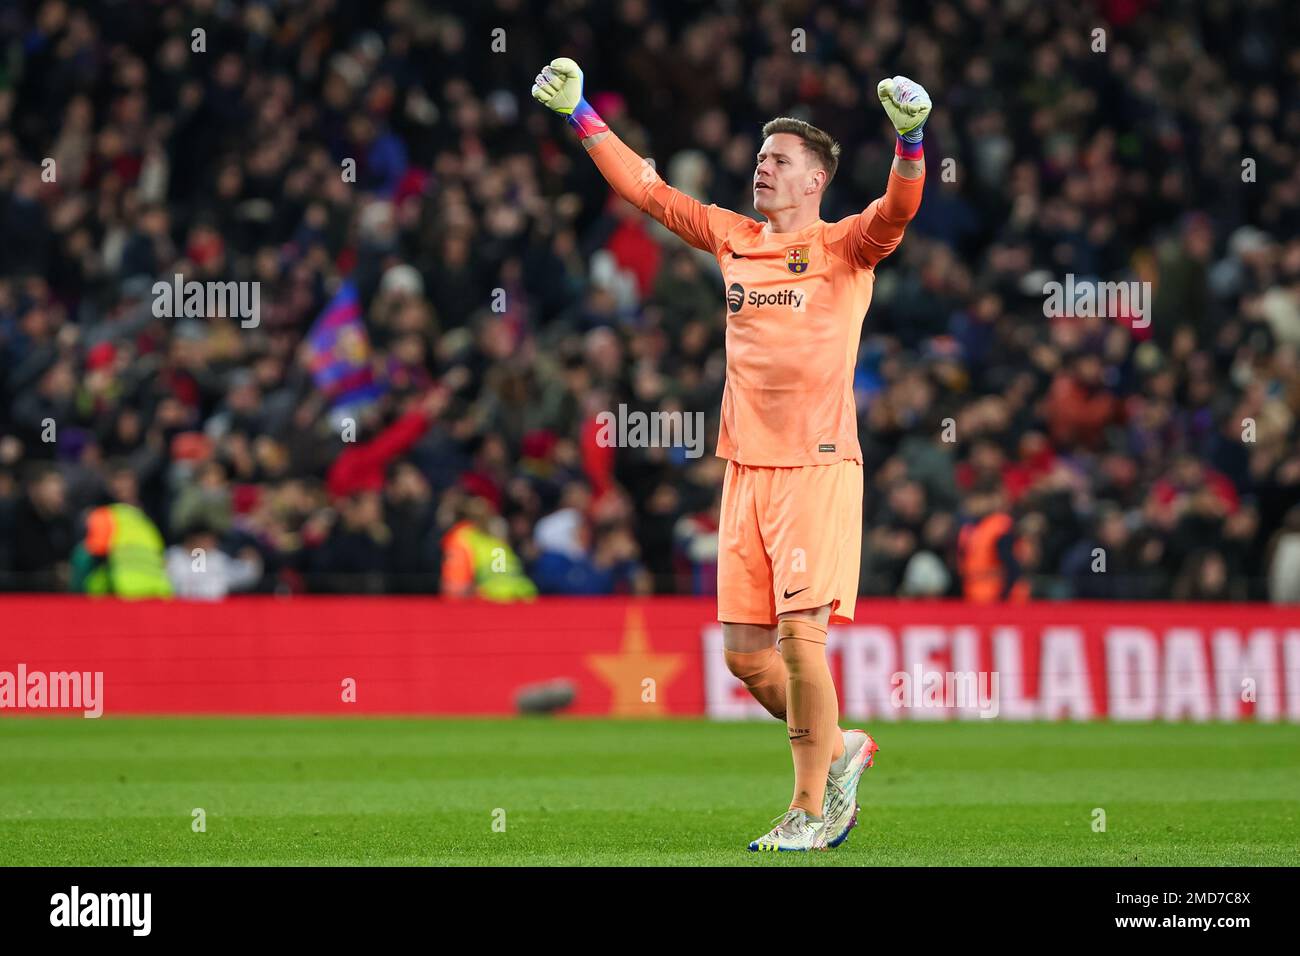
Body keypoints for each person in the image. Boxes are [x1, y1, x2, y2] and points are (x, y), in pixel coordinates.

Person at [532, 59, 929, 851]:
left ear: (815, 179)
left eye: (779, 159)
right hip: (743, 471)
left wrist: (911, 142)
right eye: (760, 156)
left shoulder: (844, 246)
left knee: (799, 640)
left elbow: (896, 212)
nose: (762, 166)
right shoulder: (733, 240)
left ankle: (811, 810)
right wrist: (582, 116)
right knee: (747, 660)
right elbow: (648, 192)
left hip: (817, 465)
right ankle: (842, 743)